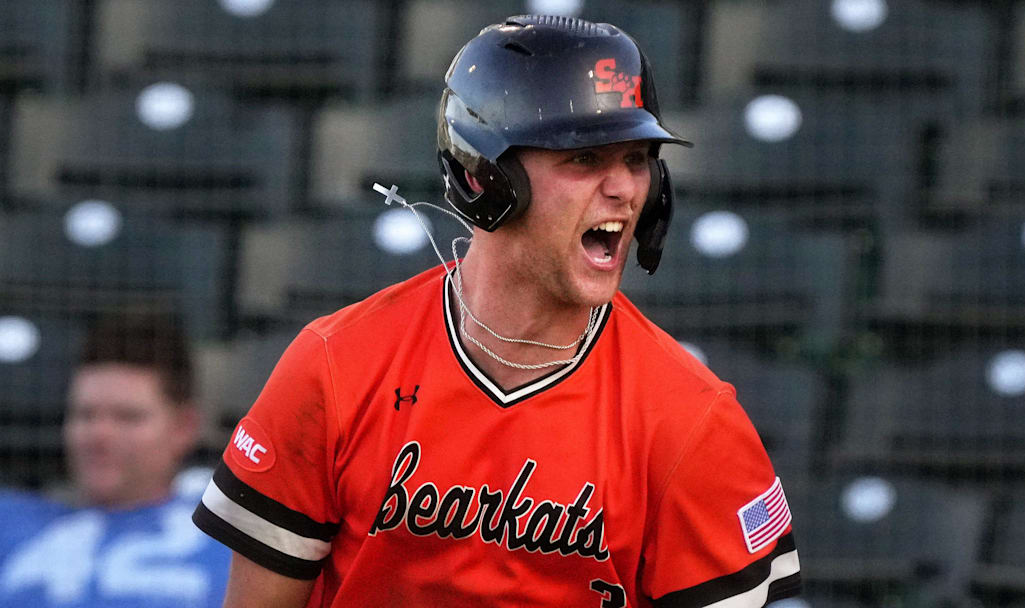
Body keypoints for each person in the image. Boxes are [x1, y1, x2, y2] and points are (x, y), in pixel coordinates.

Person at [192, 14, 801, 608]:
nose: (625, 189)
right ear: (486, 177)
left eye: (638, 159)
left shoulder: (691, 419)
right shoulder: (336, 365)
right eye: (585, 159)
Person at [0, 313, 231, 607]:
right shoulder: (10, 525)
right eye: (85, 414)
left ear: (184, 427)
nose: (99, 436)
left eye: (127, 417)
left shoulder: (229, 539)